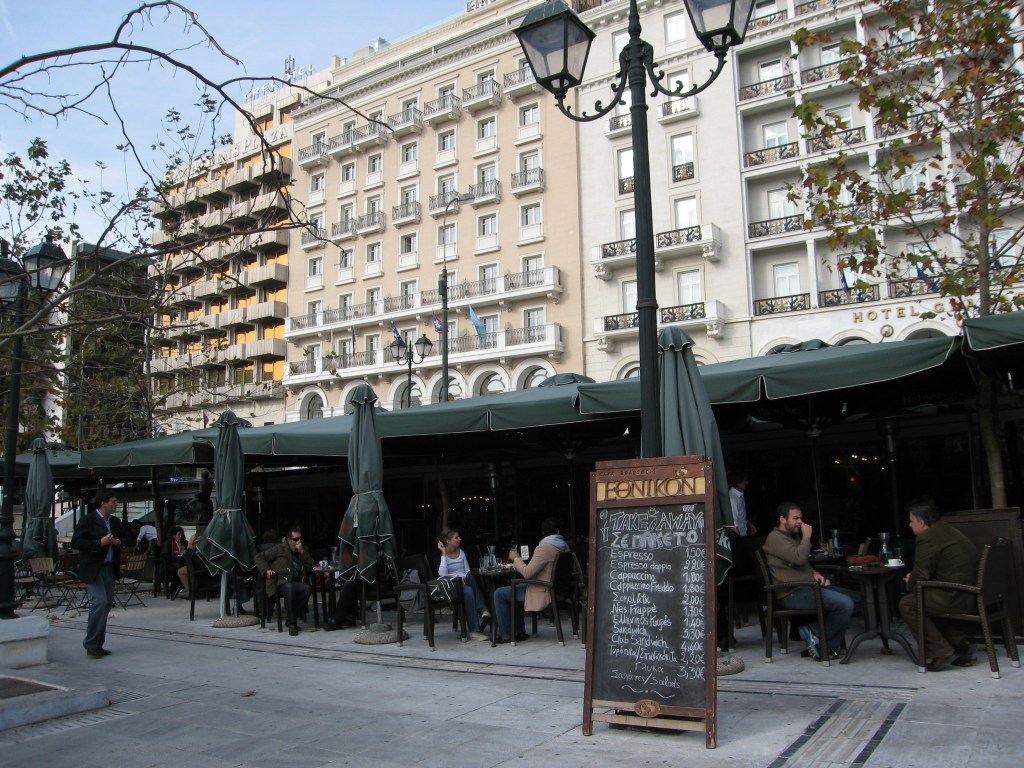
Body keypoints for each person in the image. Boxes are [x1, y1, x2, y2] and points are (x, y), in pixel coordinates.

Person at [762, 502, 860, 661]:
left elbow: (802, 563)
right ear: (782, 519)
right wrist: (806, 537)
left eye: (800, 518)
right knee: (845, 604)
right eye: (795, 518)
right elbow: (799, 558)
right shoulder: (775, 538)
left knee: (857, 599)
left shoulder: (790, 537)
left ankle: (814, 631)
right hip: (792, 593)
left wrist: (813, 572)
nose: (800, 522)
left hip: (807, 588)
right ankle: (826, 646)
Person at [898, 496, 980, 671]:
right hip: (969, 591)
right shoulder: (944, 528)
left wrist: (910, 581)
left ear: (921, 523)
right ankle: (960, 643)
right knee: (922, 600)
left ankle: (939, 651)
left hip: (957, 594)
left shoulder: (927, 537)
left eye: (911, 521)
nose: (909, 525)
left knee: (909, 604)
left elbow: (920, 574)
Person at [493, 517, 569, 644]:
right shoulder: (564, 546)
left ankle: (507, 634)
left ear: (543, 532)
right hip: (555, 588)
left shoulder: (544, 548)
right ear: (558, 531)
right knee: (515, 588)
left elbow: (527, 573)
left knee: (499, 593)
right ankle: (520, 631)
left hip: (542, 590)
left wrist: (516, 558)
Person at [70, 490, 123, 659]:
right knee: (99, 602)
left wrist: (118, 542)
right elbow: (76, 542)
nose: (116, 504)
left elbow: (126, 538)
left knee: (106, 606)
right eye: (113, 501)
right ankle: (91, 643)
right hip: (93, 567)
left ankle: (98, 644)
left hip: (109, 567)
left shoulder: (114, 522)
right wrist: (99, 543)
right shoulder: (88, 520)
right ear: (103, 502)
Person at [255, 526, 317, 636]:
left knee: (306, 588)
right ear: (289, 540)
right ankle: (292, 624)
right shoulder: (279, 549)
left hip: (293, 582)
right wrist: (266, 569)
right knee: (289, 587)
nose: (299, 542)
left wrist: (302, 551)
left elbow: (312, 566)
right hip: (278, 583)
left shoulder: (302, 552)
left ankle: (290, 619)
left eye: (300, 539)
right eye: (296, 539)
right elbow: (259, 557)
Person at [437, 528, 490, 641]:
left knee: (470, 576)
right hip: (452, 584)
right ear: (448, 541)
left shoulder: (461, 552)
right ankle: (474, 630)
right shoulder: (443, 555)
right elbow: (443, 575)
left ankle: (482, 609)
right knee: (469, 591)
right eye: (456, 538)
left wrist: (463, 578)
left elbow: (467, 571)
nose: (459, 539)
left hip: (465, 581)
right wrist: (443, 553)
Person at [729, 471, 757, 537]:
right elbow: (733, 524)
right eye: (745, 480)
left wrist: (749, 525)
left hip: (743, 533)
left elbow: (741, 516)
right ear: (738, 482)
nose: (747, 482)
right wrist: (739, 540)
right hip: (738, 536)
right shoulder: (732, 499)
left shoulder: (740, 495)